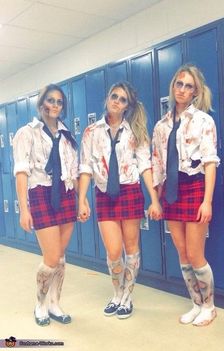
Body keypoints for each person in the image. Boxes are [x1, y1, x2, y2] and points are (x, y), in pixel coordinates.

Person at [78, 81, 162, 319]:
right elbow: (85, 166)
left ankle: (127, 297)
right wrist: (82, 199)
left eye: (123, 99)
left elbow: (145, 166)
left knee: (131, 248)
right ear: (107, 98)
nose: (117, 101)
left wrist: (153, 199)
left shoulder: (135, 131)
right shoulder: (91, 131)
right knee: (114, 251)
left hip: (129, 191)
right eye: (114, 96)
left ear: (127, 106)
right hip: (104, 194)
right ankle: (116, 292)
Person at [152, 64, 220, 326]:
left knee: (195, 253)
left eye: (188, 86)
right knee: (181, 252)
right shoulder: (161, 125)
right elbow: (158, 164)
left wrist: (207, 201)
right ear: (173, 87)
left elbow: (210, 162)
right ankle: (196, 303)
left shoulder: (204, 121)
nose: (182, 89)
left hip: (194, 187)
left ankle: (210, 306)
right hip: (171, 190)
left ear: (195, 92)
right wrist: (156, 199)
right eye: (179, 84)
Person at [13, 84, 81, 326]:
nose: (54, 105)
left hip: (65, 193)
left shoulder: (67, 135)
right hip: (41, 193)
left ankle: (55, 303)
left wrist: (81, 200)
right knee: (51, 256)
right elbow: (21, 173)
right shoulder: (26, 133)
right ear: (41, 104)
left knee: (61, 257)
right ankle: (40, 303)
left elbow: (74, 170)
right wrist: (24, 209)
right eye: (50, 100)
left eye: (59, 102)